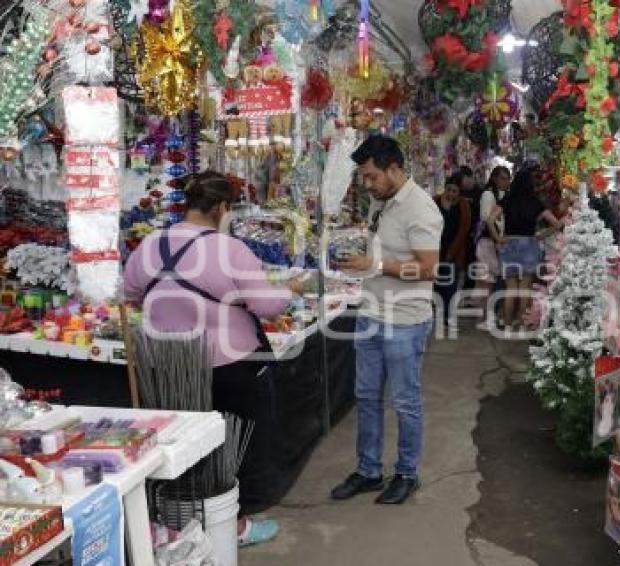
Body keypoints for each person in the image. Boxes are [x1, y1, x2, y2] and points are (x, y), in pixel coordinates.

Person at [124, 171, 303, 547]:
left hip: (167, 367)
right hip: (229, 367)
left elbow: (132, 294)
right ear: (222, 208)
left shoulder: (151, 244)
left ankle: (176, 524)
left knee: (180, 444)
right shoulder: (229, 249)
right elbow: (266, 306)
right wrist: (291, 289)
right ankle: (232, 526)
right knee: (231, 448)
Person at [331, 135, 443, 505]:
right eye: (363, 178)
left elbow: (429, 270)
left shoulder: (421, 209)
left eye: (371, 177)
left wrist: (376, 265)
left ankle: (407, 473)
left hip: (405, 322)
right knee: (366, 397)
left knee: (405, 401)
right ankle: (368, 470)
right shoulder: (381, 202)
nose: (367, 184)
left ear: (394, 169)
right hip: (371, 314)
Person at [486, 167, 562, 332]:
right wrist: (540, 236)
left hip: (509, 244)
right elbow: (557, 224)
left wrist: (498, 238)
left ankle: (506, 325)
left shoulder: (507, 200)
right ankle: (521, 325)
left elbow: (490, 220)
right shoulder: (535, 202)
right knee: (525, 289)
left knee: (510, 288)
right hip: (529, 245)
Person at [473, 166, 511, 330]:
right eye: (503, 178)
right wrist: (497, 237)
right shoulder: (488, 195)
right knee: (487, 282)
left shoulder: (501, 195)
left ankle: (487, 317)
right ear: (494, 178)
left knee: (489, 281)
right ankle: (486, 318)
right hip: (488, 243)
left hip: (493, 242)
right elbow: (486, 219)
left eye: (507, 178)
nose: (506, 182)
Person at [434, 174, 472, 326]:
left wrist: (452, 252)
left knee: (450, 285)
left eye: (454, 191)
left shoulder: (463, 205)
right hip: (435, 250)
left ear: (459, 192)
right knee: (436, 284)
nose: (451, 194)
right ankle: (437, 314)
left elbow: (464, 229)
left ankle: (448, 316)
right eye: (449, 190)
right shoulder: (435, 201)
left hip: (454, 251)